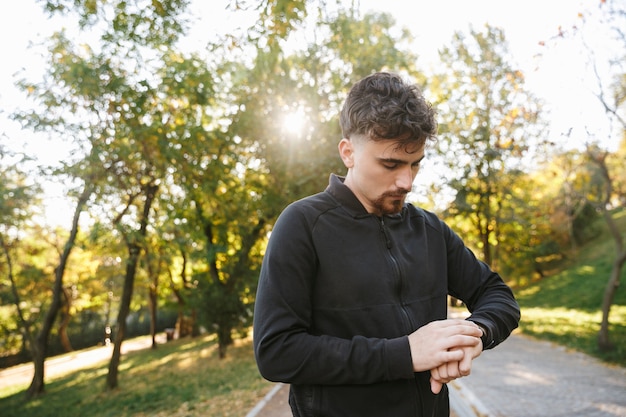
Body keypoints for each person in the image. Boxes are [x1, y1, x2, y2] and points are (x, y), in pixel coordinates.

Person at [253, 71, 520, 417]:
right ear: (348, 152)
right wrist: (406, 354)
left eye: (415, 164)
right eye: (390, 164)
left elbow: (498, 295)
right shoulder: (302, 224)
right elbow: (276, 351)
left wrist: (474, 335)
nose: (406, 181)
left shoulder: (430, 229)